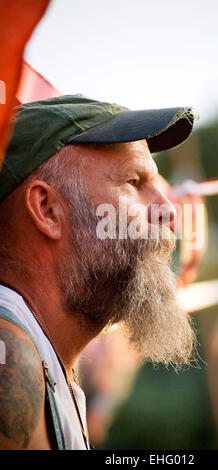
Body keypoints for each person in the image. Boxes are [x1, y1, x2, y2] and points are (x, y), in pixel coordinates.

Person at [0, 94, 196, 450]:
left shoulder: (38, 353)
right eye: (133, 183)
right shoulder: (9, 356)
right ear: (47, 210)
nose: (169, 210)